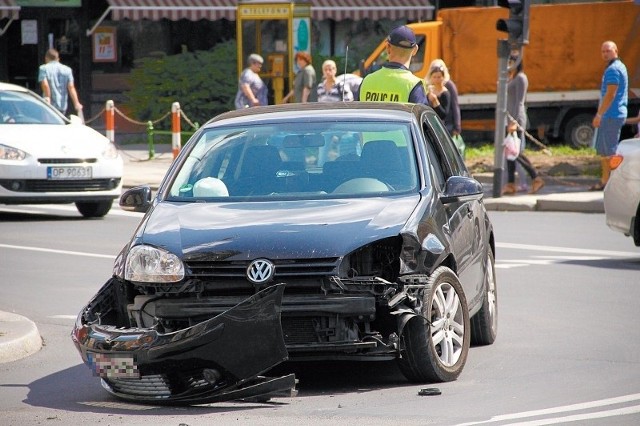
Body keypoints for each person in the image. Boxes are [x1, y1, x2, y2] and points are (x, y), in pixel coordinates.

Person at [356, 25, 445, 118]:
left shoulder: (367, 81)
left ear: (387, 47)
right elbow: (422, 125)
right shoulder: (414, 85)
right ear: (415, 50)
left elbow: (356, 119)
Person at [502, 54, 544, 196]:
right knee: (510, 152)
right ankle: (510, 184)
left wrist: (513, 122)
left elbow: (519, 102)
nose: (509, 63)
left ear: (518, 63)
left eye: (512, 61)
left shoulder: (521, 78)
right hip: (509, 119)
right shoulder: (511, 77)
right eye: (508, 61)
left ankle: (536, 177)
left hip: (516, 120)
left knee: (516, 152)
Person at [591, 41, 628, 190]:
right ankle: (605, 181)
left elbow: (610, 94)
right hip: (613, 114)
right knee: (605, 152)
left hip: (611, 114)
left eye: (608, 51)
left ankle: (612, 183)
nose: (605, 54)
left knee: (609, 152)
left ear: (616, 51)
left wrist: (599, 114)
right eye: (603, 51)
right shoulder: (620, 67)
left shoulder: (613, 70)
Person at [38, 48, 82, 117]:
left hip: (49, 105)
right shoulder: (67, 70)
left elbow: (45, 85)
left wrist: (47, 97)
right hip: (62, 104)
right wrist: (76, 103)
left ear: (46, 58)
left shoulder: (43, 68)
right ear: (58, 59)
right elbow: (71, 87)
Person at [428, 59, 461, 136]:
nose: (437, 79)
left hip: (446, 123)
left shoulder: (449, 85)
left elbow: (455, 105)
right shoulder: (428, 85)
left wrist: (457, 126)